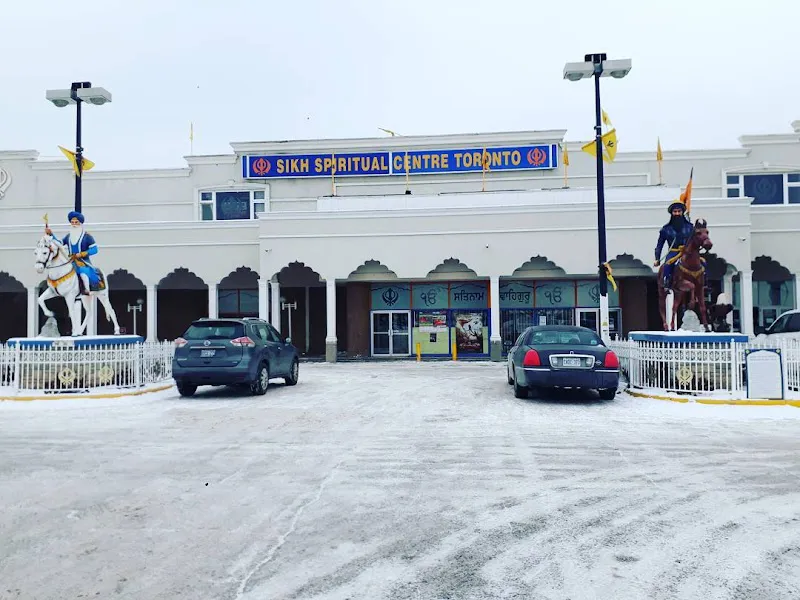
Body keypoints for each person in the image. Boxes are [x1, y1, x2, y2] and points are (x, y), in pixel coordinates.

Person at [45, 211, 101, 296]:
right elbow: (60, 243)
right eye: (72, 222)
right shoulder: (69, 236)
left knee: (83, 272)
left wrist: (82, 254)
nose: (74, 224)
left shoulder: (87, 237)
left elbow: (95, 249)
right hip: (70, 260)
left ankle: (86, 289)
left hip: (83, 262)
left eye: (76, 222)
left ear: (80, 223)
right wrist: (51, 234)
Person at [653, 199, 694, 291]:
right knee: (667, 265)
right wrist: (657, 258)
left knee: (702, 263)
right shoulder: (666, 229)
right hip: (674, 252)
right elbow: (660, 245)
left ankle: (705, 282)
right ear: (672, 213)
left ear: (682, 212)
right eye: (675, 212)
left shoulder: (690, 227)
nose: (677, 213)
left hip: (688, 252)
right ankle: (666, 282)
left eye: (679, 211)